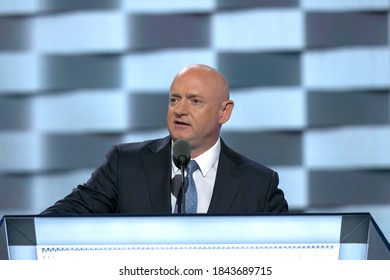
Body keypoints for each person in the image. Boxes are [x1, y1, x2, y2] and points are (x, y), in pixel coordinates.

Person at [41, 64, 288, 214]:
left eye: (195, 101)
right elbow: (62, 219)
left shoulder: (259, 185)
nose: (180, 110)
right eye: (174, 99)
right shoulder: (124, 164)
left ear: (224, 112)